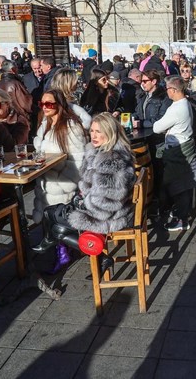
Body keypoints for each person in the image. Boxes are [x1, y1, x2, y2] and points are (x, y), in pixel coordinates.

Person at [32, 113, 136, 280]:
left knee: (55, 223)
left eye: (99, 132)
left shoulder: (110, 161)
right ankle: (56, 243)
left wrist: (81, 204)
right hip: (106, 207)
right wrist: (81, 198)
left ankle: (99, 256)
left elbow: (106, 204)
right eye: (92, 131)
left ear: (110, 133)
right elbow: (92, 187)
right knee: (50, 212)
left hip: (109, 215)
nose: (93, 135)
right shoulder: (102, 151)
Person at [33, 89, 88, 273]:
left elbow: (78, 161)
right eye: (42, 104)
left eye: (50, 104)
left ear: (60, 104)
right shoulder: (45, 123)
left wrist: (60, 178)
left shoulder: (71, 126)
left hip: (63, 183)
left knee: (54, 215)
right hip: (46, 179)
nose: (45, 107)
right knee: (47, 212)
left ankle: (63, 251)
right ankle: (59, 249)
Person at [153, 76, 196, 232]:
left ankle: (181, 218)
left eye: (167, 89)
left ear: (173, 90)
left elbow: (157, 128)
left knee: (177, 186)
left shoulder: (177, 108)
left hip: (177, 151)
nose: (166, 92)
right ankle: (181, 214)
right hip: (183, 147)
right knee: (181, 185)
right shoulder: (185, 104)